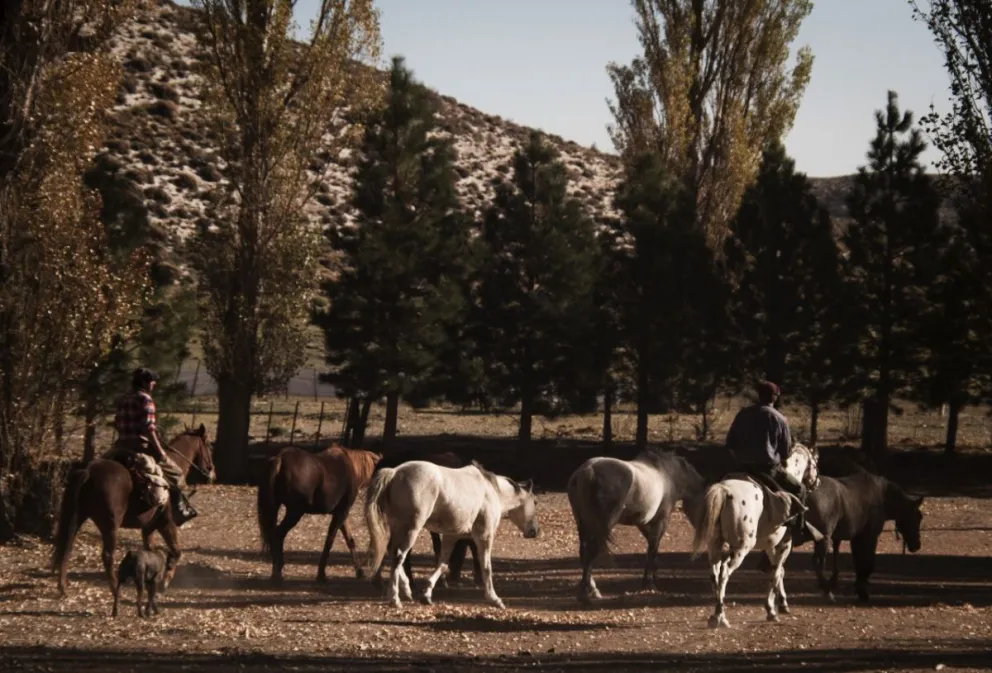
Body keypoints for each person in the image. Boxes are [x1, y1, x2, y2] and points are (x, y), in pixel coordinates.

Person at [725, 380, 820, 547]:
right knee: (800, 489)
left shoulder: (743, 414)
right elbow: (785, 453)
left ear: (758, 396)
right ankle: (798, 530)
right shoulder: (779, 419)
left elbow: (730, 444)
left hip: (741, 466)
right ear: (775, 398)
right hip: (768, 469)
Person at [112, 367, 197, 525]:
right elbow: (148, 428)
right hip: (140, 447)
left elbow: (117, 422)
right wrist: (160, 452)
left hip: (120, 445)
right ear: (144, 382)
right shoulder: (145, 399)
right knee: (177, 474)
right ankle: (180, 512)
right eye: (152, 381)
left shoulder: (123, 399)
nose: (154, 384)